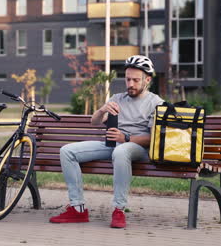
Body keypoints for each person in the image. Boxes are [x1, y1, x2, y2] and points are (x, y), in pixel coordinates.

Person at [49, 55, 164, 228]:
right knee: (67, 151)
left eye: (135, 80)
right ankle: (77, 209)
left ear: (147, 80)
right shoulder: (118, 98)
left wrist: (125, 138)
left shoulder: (156, 103)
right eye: (127, 79)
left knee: (121, 150)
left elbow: (153, 138)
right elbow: (94, 121)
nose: (130, 84)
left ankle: (119, 209)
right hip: (112, 145)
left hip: (136, 148)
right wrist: (103, 109)